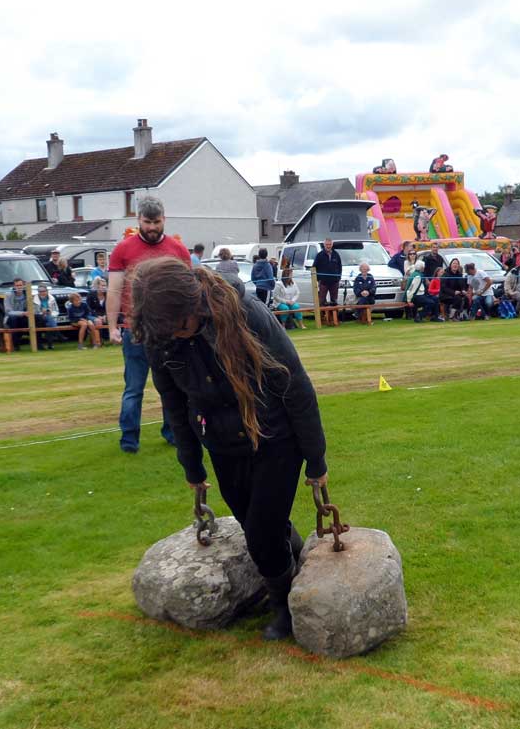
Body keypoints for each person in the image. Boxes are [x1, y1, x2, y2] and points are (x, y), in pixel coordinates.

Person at [134, 258, 328, 641]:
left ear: (194, 306)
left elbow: (296, 383)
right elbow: (174, 405)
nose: (176, 334)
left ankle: (284, 607)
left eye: (181, 325)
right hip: (222, 444)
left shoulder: (246, 314)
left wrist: (315, 459)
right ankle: (297, 562)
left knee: (259, 532)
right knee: (258, 524)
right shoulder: (161, 335)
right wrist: (193, 468)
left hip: (274, 438)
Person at [105, 195, 189, 453]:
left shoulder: (178, 250)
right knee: (134, 388)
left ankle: (173, 432)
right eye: (147, 222)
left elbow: (187, 291)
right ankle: (129, 439)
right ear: (138, 220)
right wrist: (112, 327)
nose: (152, 227)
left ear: (164, 219)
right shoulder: (123, 249)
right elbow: (114, 290)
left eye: (156, 222)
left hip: (170, 331)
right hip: (136, 330)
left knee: (173, 386)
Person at [312, 238, 343, 318]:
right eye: (327, 244)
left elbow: (340, 267)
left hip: (334, 282)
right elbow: (314, 267)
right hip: (323, 282)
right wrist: (319, 279)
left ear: (332, 245)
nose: (328, 246)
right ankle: (321, 318)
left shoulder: (336, 254)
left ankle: (334, 318)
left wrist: (338, 277)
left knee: (334, 301)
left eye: (330, 244)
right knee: (321, 301)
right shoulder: (319, 255)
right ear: (324, 245)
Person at [3, 277, 31, 350]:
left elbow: (31, 308)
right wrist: (22, 313)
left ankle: (38, 343)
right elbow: (8, 312)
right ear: (14, 286)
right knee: (13, 319)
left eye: (20, 285)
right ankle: (16, 345)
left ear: (23, 285)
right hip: (11, 319)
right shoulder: (8, 295)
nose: (19, 287)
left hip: (23, 317)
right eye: (17, 285)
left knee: (37, 318)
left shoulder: (27, 294)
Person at [33, 283, 57, 349]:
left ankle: (50, 344)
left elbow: (56, 311)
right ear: (38, 292)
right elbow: (34, 312)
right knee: (50, 321)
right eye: (40, 291)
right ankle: (57, 335)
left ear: (47, 291)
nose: (42, 293)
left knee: (50, 321)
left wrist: (50, 312)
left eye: (44, 291)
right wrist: (42, 312)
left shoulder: (52, 298)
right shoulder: (34, 299)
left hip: (50, 317)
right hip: (39, 318)